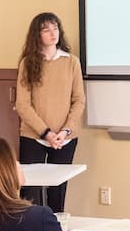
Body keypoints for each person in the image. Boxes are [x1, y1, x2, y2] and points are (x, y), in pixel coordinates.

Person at [15, 13, 85, 212]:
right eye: (46, 29)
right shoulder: (27, 63)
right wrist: (46, 133)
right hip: (33, 137)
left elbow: (79, 100)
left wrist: (64, 132)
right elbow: (23, 104)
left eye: (55, 28)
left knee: (58, 194)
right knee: (30, 194)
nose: (52, 33)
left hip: (65, 139)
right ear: (37, 35)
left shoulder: (72, 62)